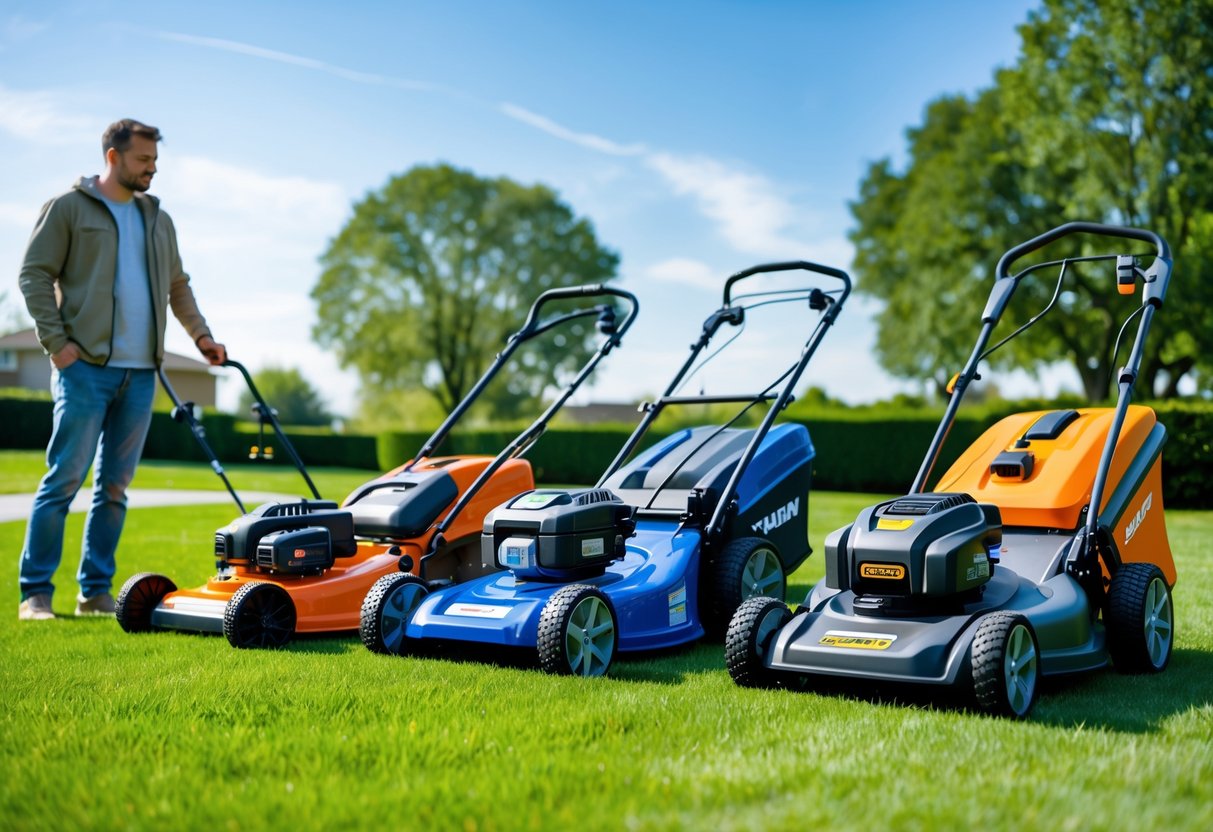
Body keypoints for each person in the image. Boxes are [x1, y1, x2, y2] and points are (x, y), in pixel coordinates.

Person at [16, 118, 226, 620]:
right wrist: (57, 344)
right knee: (64, 480)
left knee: (114, 488)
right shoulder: (69, 208)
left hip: (141, 374)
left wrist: (201, 336)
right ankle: (35, 593)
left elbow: (177, 285)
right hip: (84, 369)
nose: (152, 169)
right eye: (142, 160)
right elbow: (34, 274)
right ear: (113, 157)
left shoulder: (158, 219)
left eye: (155, 160)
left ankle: (95, 593)